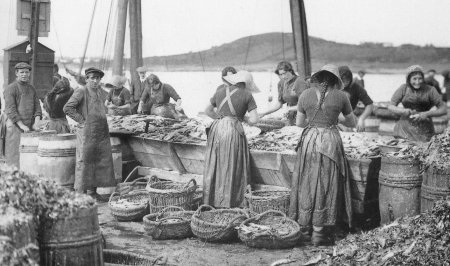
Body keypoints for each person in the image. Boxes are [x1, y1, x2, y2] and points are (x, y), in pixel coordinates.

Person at [289, 64, 356, 246]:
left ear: (317, 78)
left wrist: (316, 117)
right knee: (327, 183)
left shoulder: (305, 95)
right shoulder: (342, 96)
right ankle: (319, 233)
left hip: (310, 140)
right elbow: (352, 122)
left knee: (308, 182)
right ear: (335, 80)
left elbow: (300, 123)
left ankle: (305, 227)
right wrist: (335, 116)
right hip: (330, 141)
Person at [203, 70, 259, 208]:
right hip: (232, 130)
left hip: (216, 128)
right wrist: (242, 118)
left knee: (215, 164)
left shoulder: (221, 91)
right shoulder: (247, 94)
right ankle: (232, 203)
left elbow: (207, 111)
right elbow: (254, 119)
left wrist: (221, 118)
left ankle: (211, 201)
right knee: (233, 163)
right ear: (245, 84)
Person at [63, 67, 115, 199]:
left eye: (97, 78)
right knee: (84, 160)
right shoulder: (81, 91)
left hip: (101, 131)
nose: (95, 81)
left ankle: (93, 191)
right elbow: (68, 108)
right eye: (92, 78)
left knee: (98, 160)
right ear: (86, 79)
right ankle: (80, 193)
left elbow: (106, 106)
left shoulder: (100, 92)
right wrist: (81, 121)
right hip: (87, 132)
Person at [388, 65, 446, 142]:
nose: (417, 82)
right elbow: (391, 106)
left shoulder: (431, 90)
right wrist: (402, 111)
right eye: (414, 79)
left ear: (423, 78)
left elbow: (443, 109)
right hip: (404, 128)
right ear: (408, 79)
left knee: (424, 149)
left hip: (425, 128)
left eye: (420, 79)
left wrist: (426, 114)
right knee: (404, 149)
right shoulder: (403, 88)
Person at [4, 62, 42, 168]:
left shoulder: (32, 89)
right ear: (16, 73)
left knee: (29, 157)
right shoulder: (11, 88)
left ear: (29, 73)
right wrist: (21, 125)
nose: (24, 74)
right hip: (14, 126)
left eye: (26, 72)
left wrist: (36, 122)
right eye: (21, 72)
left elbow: (37, 107)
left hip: (29, 126)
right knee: (14, 156)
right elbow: (11, 110)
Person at [259, 61, 308, 125]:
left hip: (303, 117)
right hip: (290, 117)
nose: (283, 77)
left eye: (284, 73)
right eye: (281, 74)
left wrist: (290, 109)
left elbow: (305, 105)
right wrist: (264, 113)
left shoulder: (300, 82)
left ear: (290, 71)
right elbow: (279, 104)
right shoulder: (281, 83)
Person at [338, 66, 374, 131]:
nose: (345, 83)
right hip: (331, 117)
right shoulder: (331, 87)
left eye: (347, 80)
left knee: (360, 128)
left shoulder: (356, 88)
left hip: (348, 116)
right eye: (342, 81)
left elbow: (370, 105)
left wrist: (361, 119)